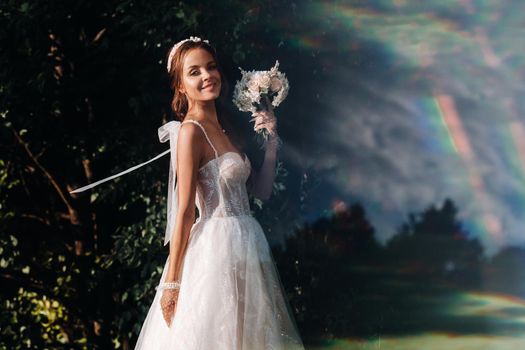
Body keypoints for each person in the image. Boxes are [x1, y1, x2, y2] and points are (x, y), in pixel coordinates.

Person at [132, 37, 305, 349]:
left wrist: (271, 141)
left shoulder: (227, 129)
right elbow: (185, 211)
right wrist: (172, 282)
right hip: (215, 248)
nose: (206, 76)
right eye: (194, 72)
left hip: (248, 244)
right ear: (181, 86)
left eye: (210, 67)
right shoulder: (190, 132)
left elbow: (262, 191)